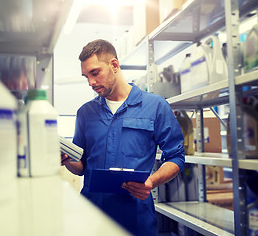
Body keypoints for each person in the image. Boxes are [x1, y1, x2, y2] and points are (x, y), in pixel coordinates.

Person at [61, 39, 185, 236]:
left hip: (136, 220)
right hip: (91, 217)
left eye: (95, 73)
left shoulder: (155, 106)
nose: (91, 82)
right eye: (86, 77)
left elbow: (176, 157)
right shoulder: (85, 113)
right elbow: (81, 166)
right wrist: (67, 160)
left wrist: (151, 182)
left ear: (114, 65)